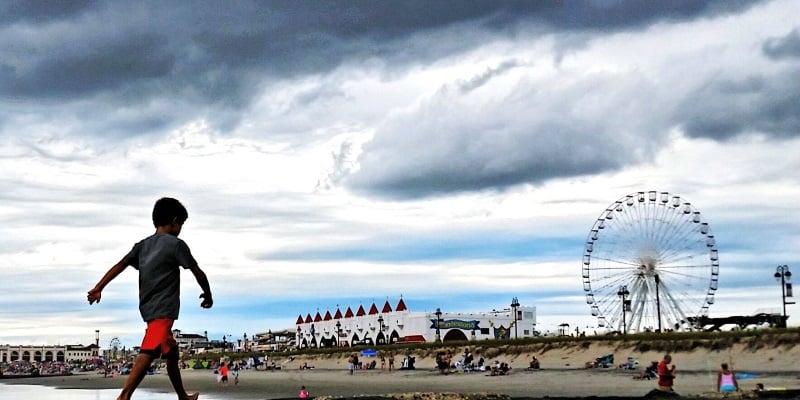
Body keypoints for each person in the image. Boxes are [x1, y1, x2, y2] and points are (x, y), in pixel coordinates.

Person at [87, 197, 213, 400]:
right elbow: (198, 273)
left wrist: (99, 287)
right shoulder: (176, 245)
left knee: (171, 352)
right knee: (148, 350)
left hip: (147, 307)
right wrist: (208, 294)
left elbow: (121, 264)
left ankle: (182, 396)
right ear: (174, 221)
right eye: (180, 224)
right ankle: (124, 396)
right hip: (164, 309)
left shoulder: (142, 246)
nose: (180, 228)